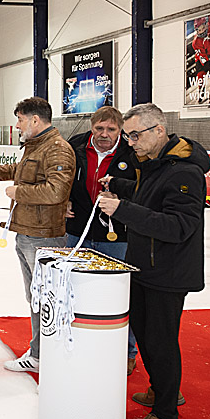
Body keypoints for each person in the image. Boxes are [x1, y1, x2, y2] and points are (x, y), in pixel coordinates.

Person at [97, 103, 210, 419]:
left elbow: (179, 226)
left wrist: (123, 209)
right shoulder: (155, 165)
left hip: (167, 272)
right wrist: (120, 185)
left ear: (158, 130)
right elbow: (152, 198)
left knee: (160, 342)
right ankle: (164, 390)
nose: (129, 142)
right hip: (146, 266)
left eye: (134, 135)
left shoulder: (184, 173)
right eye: (128, 135)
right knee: (147, 336)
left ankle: (165, 417)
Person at [0, 97, 75, 373]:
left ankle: (43, 355)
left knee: (44, 298)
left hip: (43, 236)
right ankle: (40, 352)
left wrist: (18, 192)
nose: (17, 125)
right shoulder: (36, 146)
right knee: (35, 297)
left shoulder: (58, 149)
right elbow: (18, 171)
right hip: (27, 232)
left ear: (35, 120)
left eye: (20, 120)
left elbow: (56, 191)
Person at [64, 106, 139, 374]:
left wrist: (123, 203)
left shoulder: (132, 152)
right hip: (77, 231)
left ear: (120, 130)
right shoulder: (75, 146)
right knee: (74, 291)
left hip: (116, 236)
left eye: (111, 130)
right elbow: (62, 179)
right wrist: (65, 202)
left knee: (120, 295)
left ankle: (127, 351)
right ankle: (77, 342)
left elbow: (143, 190)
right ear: (91, 126)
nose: (104, 134)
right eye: (99, 128)